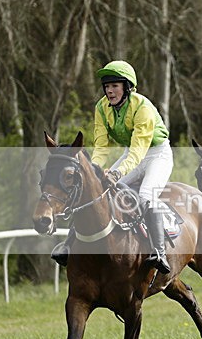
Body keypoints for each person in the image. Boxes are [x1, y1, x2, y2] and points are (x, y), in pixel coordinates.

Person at [51, 60, 172, 273]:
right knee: (94, 190)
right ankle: (68, 245)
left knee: (145, 196)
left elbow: (139, 149)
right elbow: (101, 146)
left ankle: (159, 252)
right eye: (107, 86)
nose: (109, 91)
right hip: (131, 154)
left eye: (115, 86)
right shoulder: (101, 107)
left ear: (127, 87)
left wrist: (116, 172)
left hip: (156, 154)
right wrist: (94, 171)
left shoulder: (142, 107)